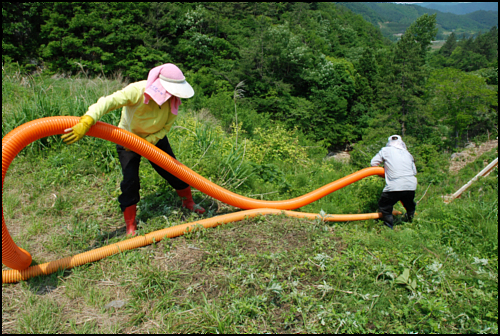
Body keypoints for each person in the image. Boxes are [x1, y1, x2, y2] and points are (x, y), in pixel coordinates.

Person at [61, 63, 205, 236]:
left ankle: (188, 202)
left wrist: (148, 142)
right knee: (130, 181)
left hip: (155, 140)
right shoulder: (137, 90)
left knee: (173, 169)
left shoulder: (173, 101)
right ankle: (130, 224)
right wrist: (87, 120)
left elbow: (166, 127)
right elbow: (109, 101)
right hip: (127, 140)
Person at [370, 135, 417, 229]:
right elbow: (414, 171)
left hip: (395, 185)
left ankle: (388, 227)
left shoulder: (385, 150)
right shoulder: (407, 153)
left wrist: (384, 172)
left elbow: (373, 163)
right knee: (409, 204)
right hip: (411, 184)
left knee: (385, 205)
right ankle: (411, 221)